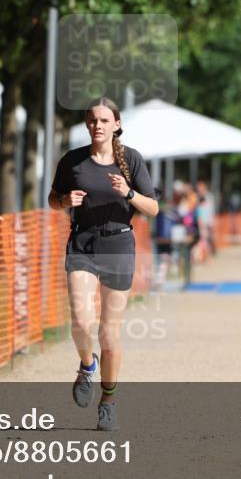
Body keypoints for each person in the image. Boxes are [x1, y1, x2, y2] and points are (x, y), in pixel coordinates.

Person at [48, 97, 158, 431]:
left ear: (117, 125)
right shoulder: (73, 161)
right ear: (87, 124)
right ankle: (86, 365)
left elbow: (152, 208)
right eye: (93, 120)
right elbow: (54, 199)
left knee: (109, 334)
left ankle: (108, 401)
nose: (98, 125)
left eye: (105, 120)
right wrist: (65, 201)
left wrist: (128, 193)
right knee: (81, 321)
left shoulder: (131, 161)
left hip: (119, 244)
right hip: (82, 242)